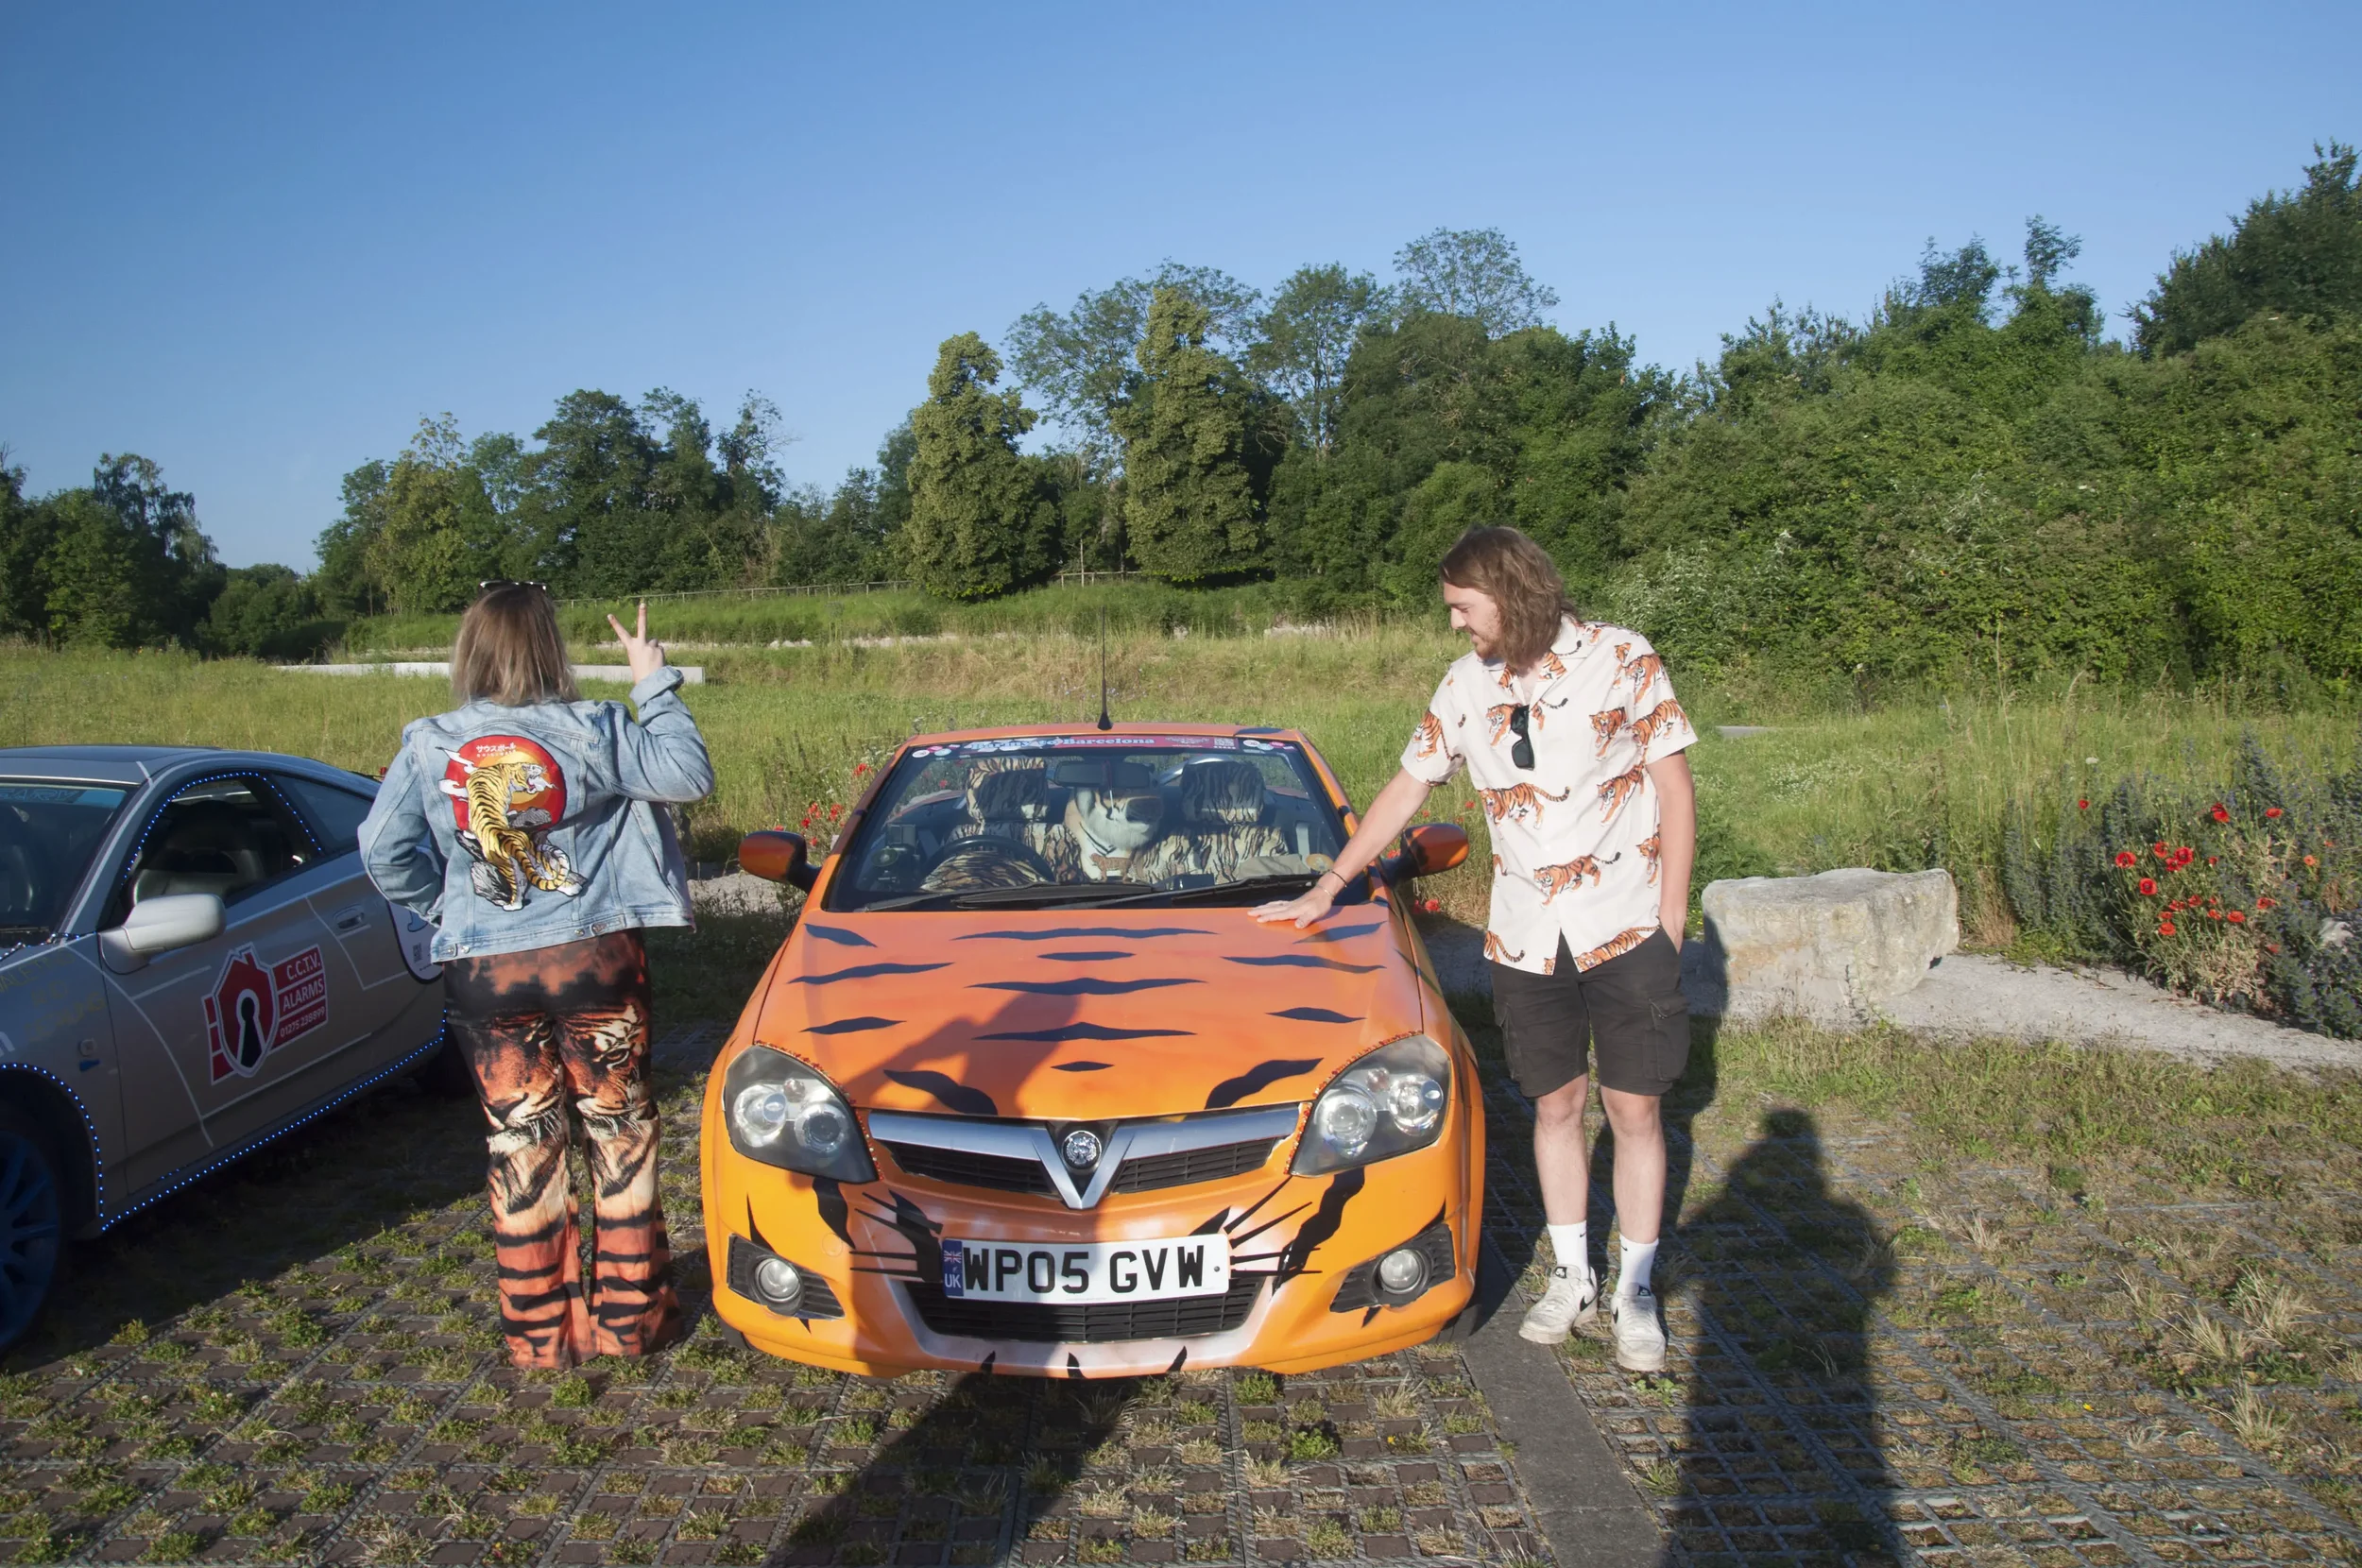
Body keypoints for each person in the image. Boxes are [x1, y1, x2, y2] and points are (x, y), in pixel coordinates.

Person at [1255, 526, 1697, 1372]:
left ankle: (1636, 1288)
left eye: (1463, 606)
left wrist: (1671, 921)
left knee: (1635, 1112)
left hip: (1627, 924)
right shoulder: (1465, 685)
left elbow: (1675, 792)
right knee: (1557, 1107)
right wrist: (1328, 884)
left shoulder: (1623, 658)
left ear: (1507, 589)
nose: (1456, 624)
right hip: (1527, 937)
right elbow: (1408, 786)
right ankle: (1573, 1276)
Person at [358, 585, 714, 1370]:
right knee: (619, 1135)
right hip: (596, 961)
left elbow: (383, 852)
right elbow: (687, 775)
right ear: (549, 649)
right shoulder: (596, 728)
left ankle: (541, 1337)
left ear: (470, 651)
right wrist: (651, 679)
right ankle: (630, 1324)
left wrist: (451, 908)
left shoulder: (428, 742)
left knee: (522, 1144)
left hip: (486, 972)